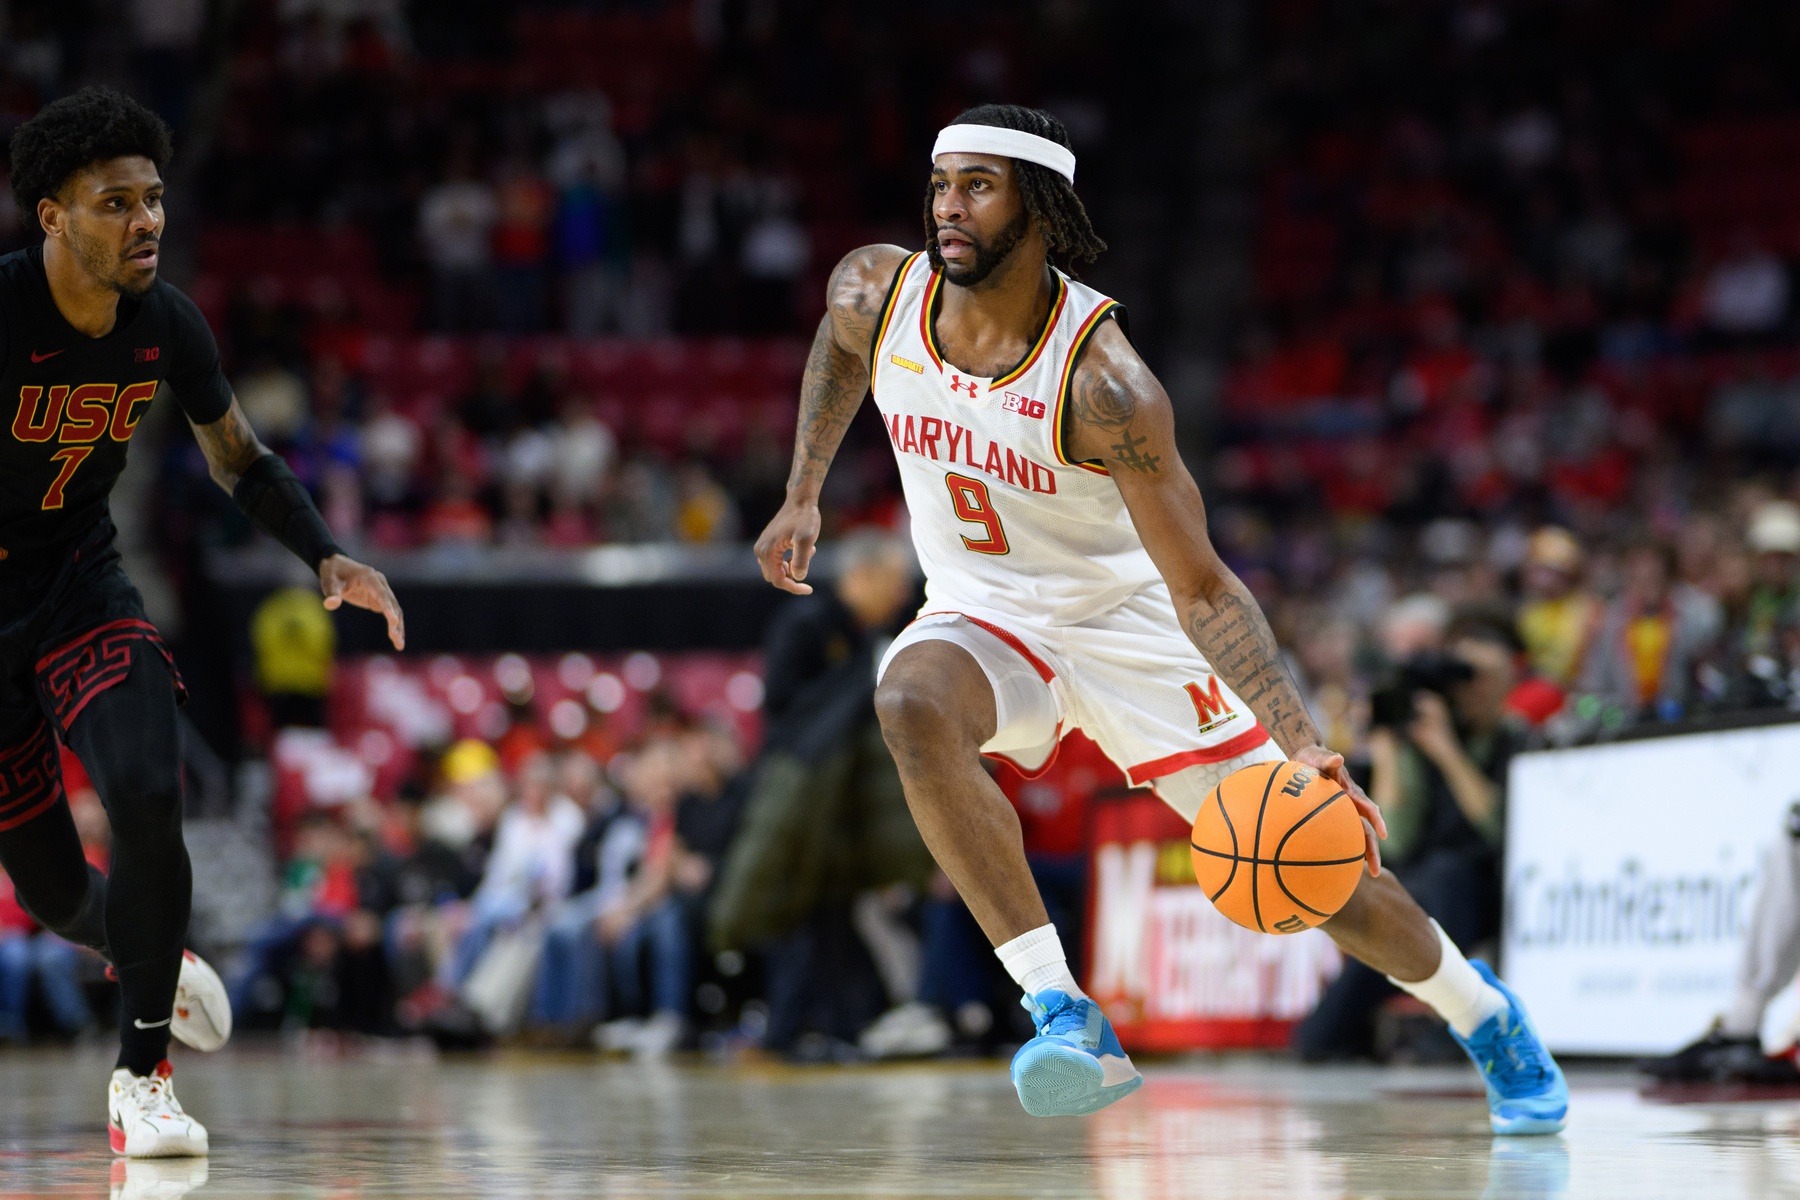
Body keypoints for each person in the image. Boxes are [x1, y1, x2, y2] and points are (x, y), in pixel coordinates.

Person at [753, 104, 1567, 1131]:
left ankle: (1482, 1012)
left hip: (1132, 627)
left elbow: (1205, 586)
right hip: (987, 610)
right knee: (909, 699)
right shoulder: (877, 289)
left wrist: (1306, 743)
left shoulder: (1105, 384)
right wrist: (803, 491)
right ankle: (1062, 1011)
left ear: (1040, 208)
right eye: (942, 184)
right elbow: (837, 353)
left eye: (979, 186)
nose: (948, 208)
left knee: (1320, 874)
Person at [1, 88, 404, 1156]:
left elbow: (239, 459)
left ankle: (142, 1078)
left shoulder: (168, 323)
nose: (146, 222)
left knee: (143, 785)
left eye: (155, 200)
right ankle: (150, 958)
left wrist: (324, 551)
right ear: (52, 217)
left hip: (78, 581)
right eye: (114, 202)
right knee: (48, 890)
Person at [1297, 617, 1524, 1059]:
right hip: (1420, 895)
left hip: (1483, 891)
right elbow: (1394, 838)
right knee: (1316, 1042)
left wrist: (1447, 751)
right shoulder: (1420, 740)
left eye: (1481, 677)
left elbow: (1498, 826)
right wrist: (1388, 749)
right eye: (1462, 677)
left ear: (1505, 682)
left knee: (1443, 875)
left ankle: (1456, 1015)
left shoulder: (1512, 738)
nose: (1469, 689)